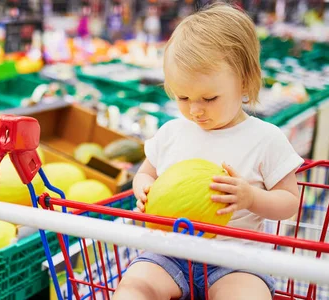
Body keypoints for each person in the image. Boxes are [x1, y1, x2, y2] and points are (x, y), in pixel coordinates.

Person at [112, 2, 304, 300]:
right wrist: (144, 189)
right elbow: (145, 174)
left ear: (245, 81)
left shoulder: (265, 138)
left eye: (209, 98)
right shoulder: (172, 133)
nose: (195, 110)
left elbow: (290, 201)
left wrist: (250, 197)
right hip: (169, 252)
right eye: (183, 97)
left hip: (237, 260)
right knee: (133, 288)